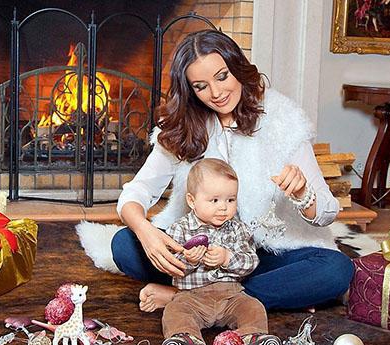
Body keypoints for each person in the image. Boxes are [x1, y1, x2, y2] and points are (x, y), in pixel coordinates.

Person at [112, 29, 353, 313]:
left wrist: (303, 193)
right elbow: (136, 192)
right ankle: (248, 299)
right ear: (190, 90)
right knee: (124, 244)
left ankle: (187, 299)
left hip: (262, 255)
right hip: (196, 256)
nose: (216, 93)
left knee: (336, 269)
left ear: (237, 68)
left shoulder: (282, 119)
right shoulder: (182, 125)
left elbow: (327, 213)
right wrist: (145, 232)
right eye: (200, 86)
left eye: (222, 76)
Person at [159, 158, 280, 345]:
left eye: (230, 200)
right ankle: (186, 339)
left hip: (231, 296)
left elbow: (251, 262)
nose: (223, 207)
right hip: (192, 296)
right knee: (175, 310)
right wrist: (189, 259)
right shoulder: (180, 229)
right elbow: (170, 266)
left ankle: (249, 338)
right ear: (192, 200)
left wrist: (227, 258)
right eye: (214, 200)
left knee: (253, 307)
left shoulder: (238, 229)